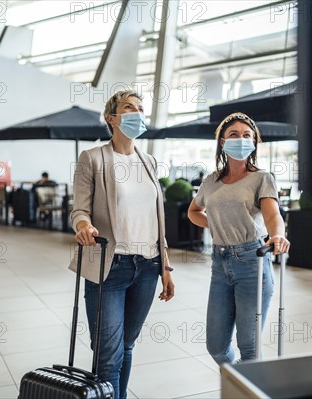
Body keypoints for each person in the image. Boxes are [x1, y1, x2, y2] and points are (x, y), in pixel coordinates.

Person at [70, 89, 175, 399]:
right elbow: (79, 209)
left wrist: (165, 266)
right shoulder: (93, 158)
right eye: (129, 107)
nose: (138, 113)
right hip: (110, 266)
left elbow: (157, 219)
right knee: (107, 355)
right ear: (111, 118)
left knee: (126, 346)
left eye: (141, 108)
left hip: (148, 266)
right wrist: (83, 224)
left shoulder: (150, 162)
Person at [187, 112, 290, 365]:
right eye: (234, 134)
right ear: (223, 142)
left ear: (254, 142)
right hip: (219, 264)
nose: (241, 139)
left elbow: (272, 214)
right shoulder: (211, 180)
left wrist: (278, 235)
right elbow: (194, 211)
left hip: (252, 263)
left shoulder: (262, 178)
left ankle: (246, 390)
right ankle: (238, 381)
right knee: (216, 347)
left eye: (247, 135)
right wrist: (219, 222)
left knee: (249, 348)